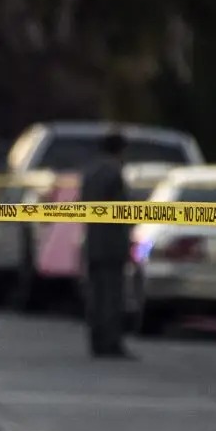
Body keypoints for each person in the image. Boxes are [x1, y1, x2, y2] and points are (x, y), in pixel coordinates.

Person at [80, 133, 134, 359]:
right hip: (112, 244)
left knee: (96, 294)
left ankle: (97, 341)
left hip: (93, 241)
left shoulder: (90, 173)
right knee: (112, 295)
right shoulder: (114, 173)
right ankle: (111, 342)